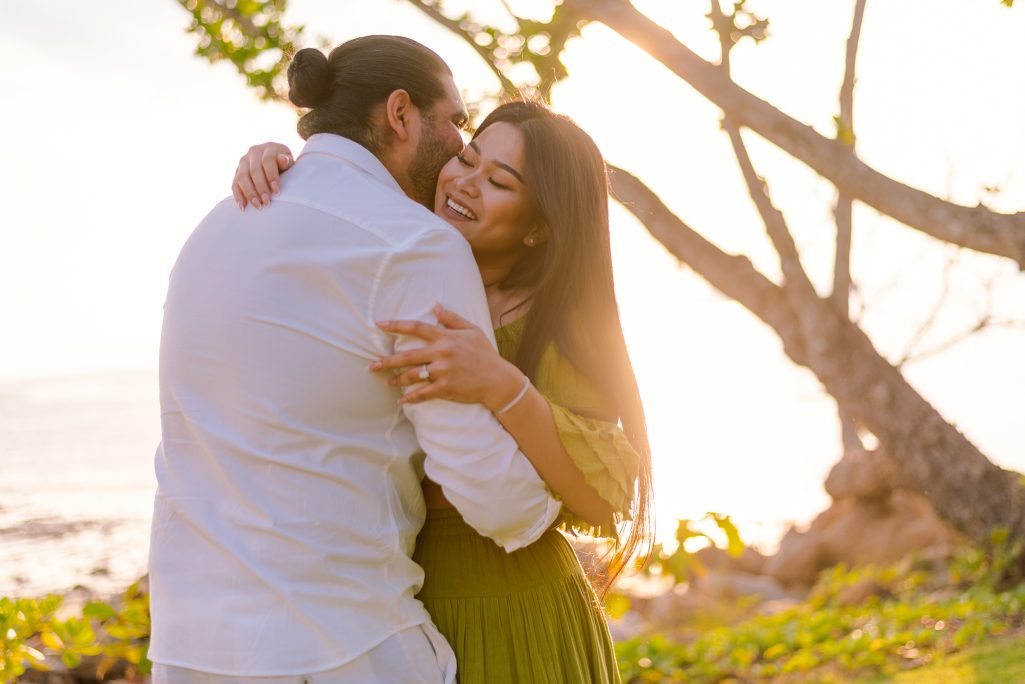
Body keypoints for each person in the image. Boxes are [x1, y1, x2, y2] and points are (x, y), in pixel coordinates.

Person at [149, 36, 568, 684]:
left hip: (190, 649)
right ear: (400, 113)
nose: (460, 143)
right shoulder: (414, 243)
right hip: (341, 648)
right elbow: (493, 496)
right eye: (454, 119)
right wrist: (554, 503)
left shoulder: (213, 226)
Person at [233, 98, 654, 682]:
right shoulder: (392, 255)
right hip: (382, 594)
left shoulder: (554, 321)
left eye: (500, 181)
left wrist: (500, 384)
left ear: (538, 227)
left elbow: (603, 497)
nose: (466, 182)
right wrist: (282, 166)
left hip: (515, 602)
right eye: (470, 158)